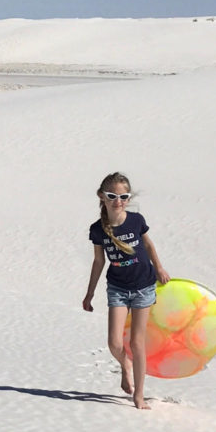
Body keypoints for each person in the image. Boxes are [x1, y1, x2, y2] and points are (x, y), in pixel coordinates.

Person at [82, 172, 170, 409]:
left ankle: (139, 394)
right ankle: (126, 365)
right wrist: (89, 293)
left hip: (143, 286)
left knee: (137, 342)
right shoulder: (97, 229)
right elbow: (99, 261)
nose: (117, 201)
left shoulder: (136, 220)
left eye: (123, 196)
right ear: (102, 197)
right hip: (118, 288)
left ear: (129, 198)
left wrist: (160, 268)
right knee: (114, 343)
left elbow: (148, 244)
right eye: (112, 196)